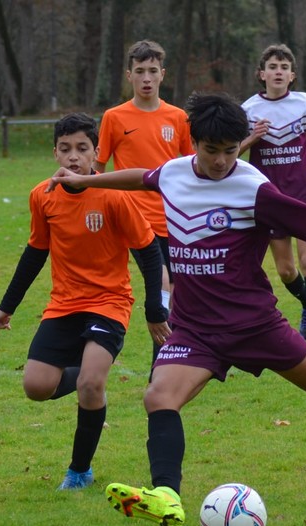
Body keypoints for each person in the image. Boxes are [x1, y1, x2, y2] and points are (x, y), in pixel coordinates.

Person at [47, 93, 306, 526]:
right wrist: (87, 182)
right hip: (195, 328)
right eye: (211, 150)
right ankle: (166, 495)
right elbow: (141, 178)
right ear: (194, 143)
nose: (221, 161)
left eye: (229, 150)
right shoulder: (174, 173)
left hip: (253, 323)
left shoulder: (253, 186)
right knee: (159, 397)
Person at [0, 113, 169, 491]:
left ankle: (79, 470)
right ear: (55, 152)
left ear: (96, 152)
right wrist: (8, 305)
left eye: (82, 148)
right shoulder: (43, 195)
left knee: (89, 384)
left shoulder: (114, 195)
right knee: (36, 387)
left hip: (110, 302)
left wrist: (155, 309)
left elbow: (150, 251)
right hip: (64, 305)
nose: (73, 156)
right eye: (65, 149)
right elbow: (35, 253)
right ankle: (89, 375)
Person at [94, 39, 194, 362]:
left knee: (174, 295)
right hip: (134, 218)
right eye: (140, 71)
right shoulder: (114, 117)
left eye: (152, 71)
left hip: (173, 219)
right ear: (129, 76)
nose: (146, 78)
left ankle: (164, 363)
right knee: (160, 281)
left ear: (163, 74)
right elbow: (98, 168)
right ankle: (161, 367)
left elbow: (190, 167)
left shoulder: (178, 118)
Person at [240, 44, 306, 351]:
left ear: (292, 75)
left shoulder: (305, 103)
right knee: (286, 270)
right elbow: (231, 152)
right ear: (262, 74)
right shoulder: (247, 110)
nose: (278, 72)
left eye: (284, 67)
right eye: (272, 67)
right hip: (269, 198)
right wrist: (253, 137)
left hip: (302, 194)